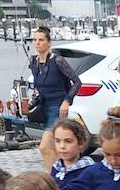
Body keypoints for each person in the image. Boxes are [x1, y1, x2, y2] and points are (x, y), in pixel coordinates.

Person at [27, 25, 82, 166]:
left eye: (41, 40)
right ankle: (59, 175)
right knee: (54, 148)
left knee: (44, 146)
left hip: (57, 107)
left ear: (49, 43)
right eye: (35, 40)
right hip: (43, 106)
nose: (37, 43)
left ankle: (52, 179)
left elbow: (77, 82)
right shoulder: (34, 62)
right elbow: (38, 86)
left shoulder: (57, 60)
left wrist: (66, 101)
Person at [48, 116, 92, 190]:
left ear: (80, 143)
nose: (62, 146)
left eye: (68, 141)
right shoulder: (56, 168)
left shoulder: (89, 169)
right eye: (57, 141)